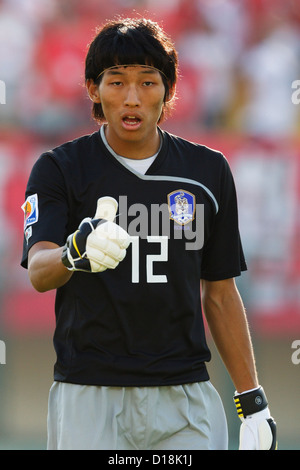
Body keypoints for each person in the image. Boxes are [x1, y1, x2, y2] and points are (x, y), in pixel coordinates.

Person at [21, 17, 277, 450]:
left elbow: (219, 292)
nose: (133, 98)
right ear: (93, 90)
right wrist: (74, 252)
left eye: (148, 82)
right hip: (89, 390)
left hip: (184, 396)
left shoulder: (207, 171)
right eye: (117, 82)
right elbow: (39, 270)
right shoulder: (60, 167)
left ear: (170, 89)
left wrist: (252, 400)